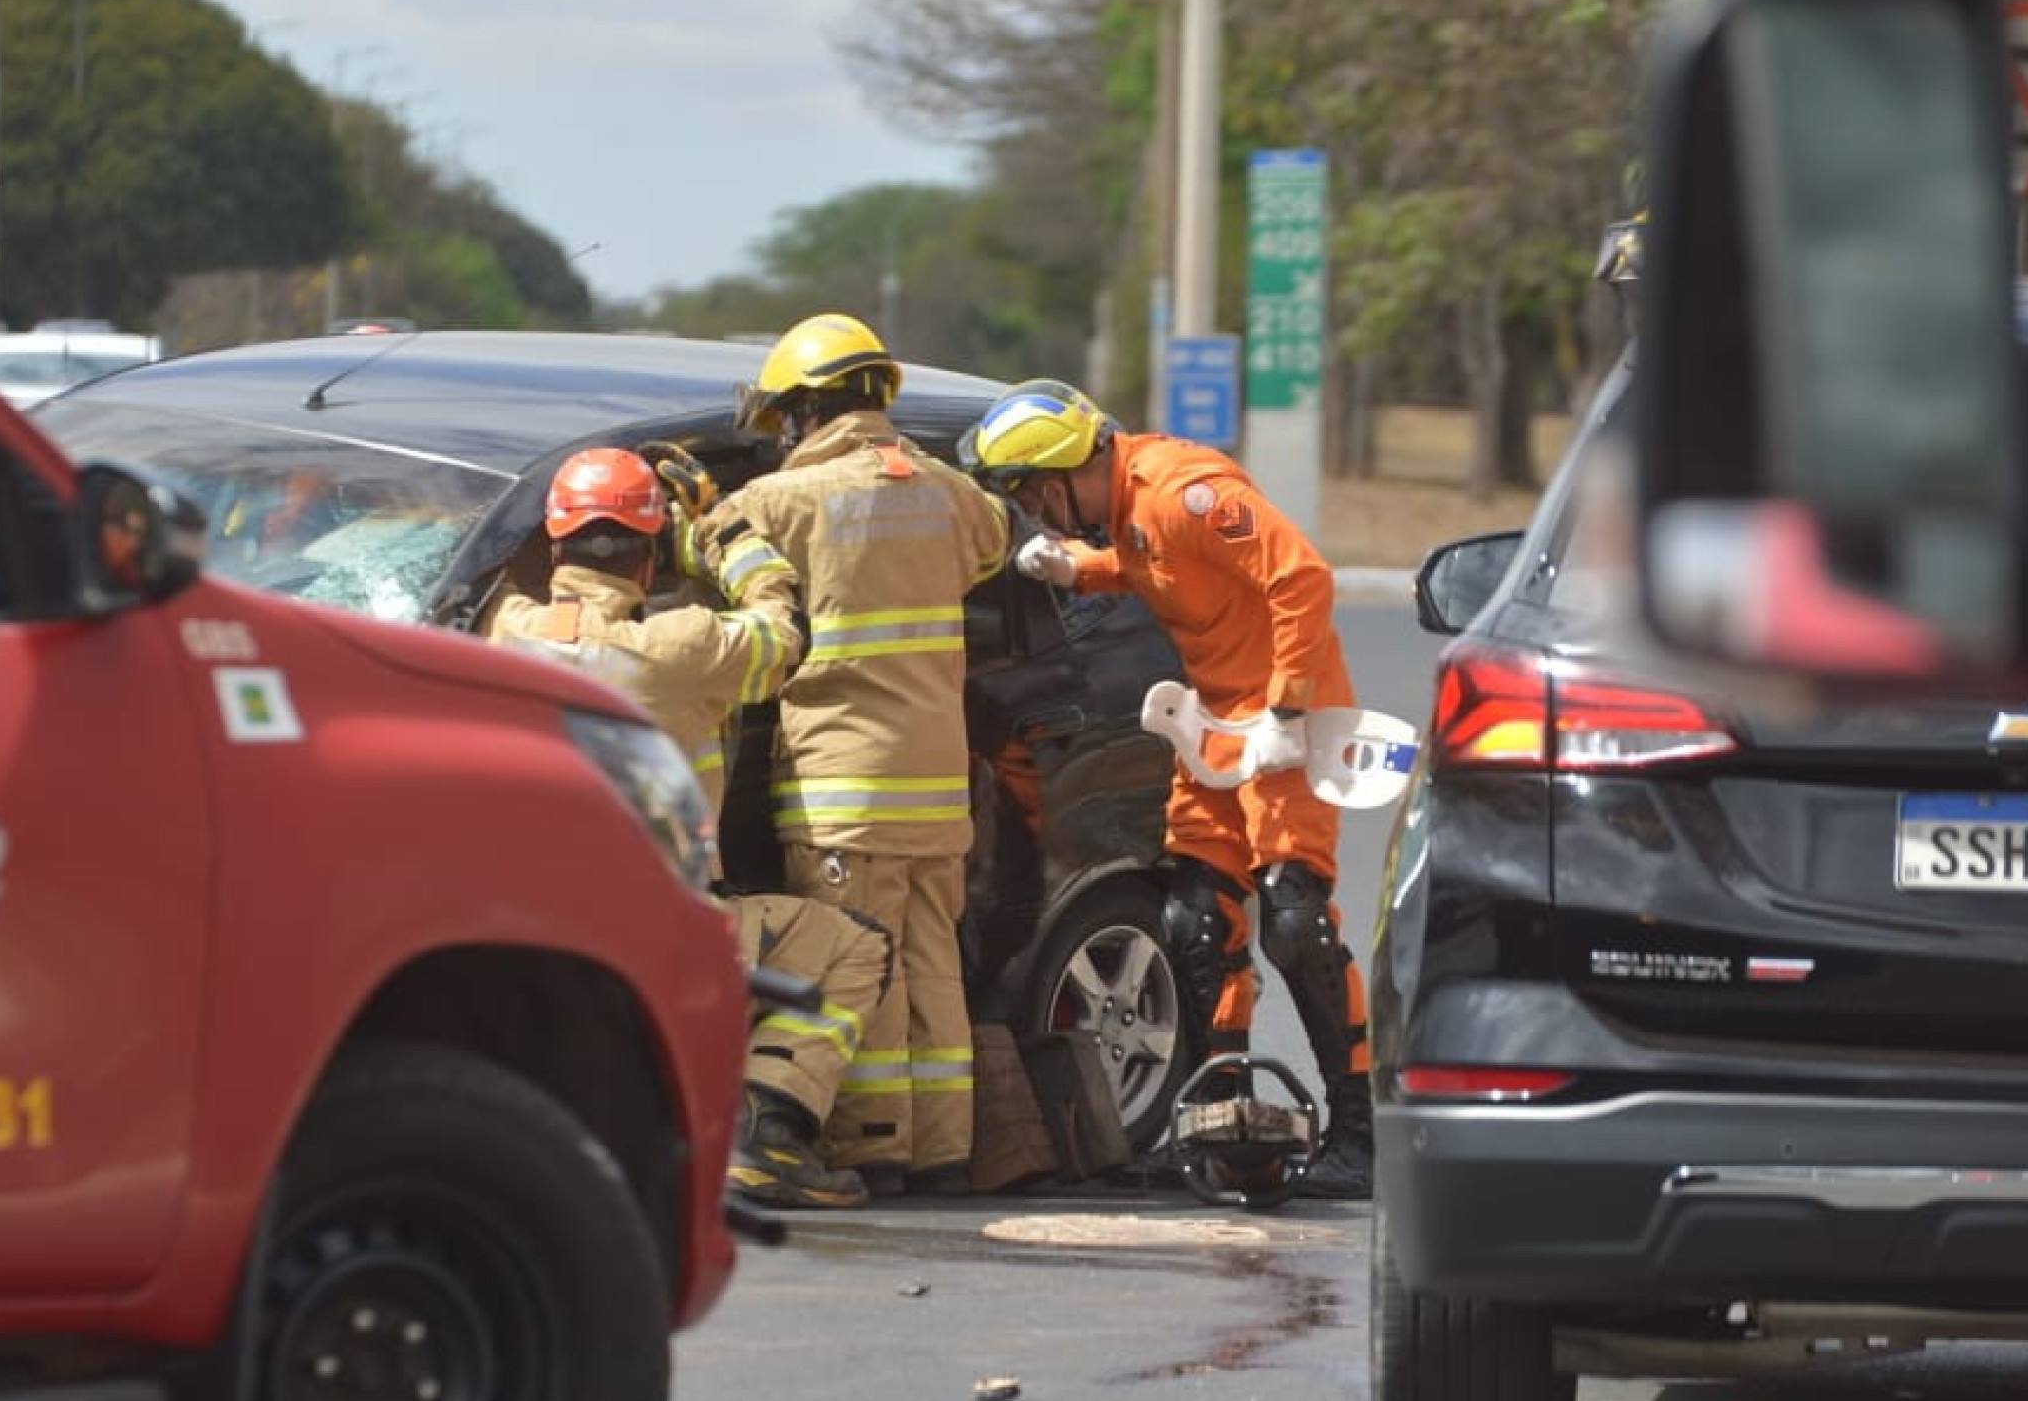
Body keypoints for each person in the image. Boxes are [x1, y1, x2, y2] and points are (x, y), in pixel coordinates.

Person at [961, 379, 1374, 1199]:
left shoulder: (1185, 492)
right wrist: (1079, 569)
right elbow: (1154, 568)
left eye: (1034, 500)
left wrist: (1288, 703)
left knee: (1294, 924)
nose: (1037, 515)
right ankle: (1216, 1118)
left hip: (1283, 730)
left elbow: (1302, 579)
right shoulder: (1129, 514)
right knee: (1192, 919)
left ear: (1059, 475)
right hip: (1215, 726)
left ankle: (1356, 1135)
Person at [491, 446, 893, 1212]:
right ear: (652, 556)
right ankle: (766, 1132)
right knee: (856, 943)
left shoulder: (500, 629)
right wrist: (719, 527)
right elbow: (787, 628)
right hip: (648, 939)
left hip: (523, 934)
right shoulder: (682, 647)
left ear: (555, 545)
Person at [687, 314, 1010, 1197]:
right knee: (931, 966)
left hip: (844, 790)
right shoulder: (949, 492)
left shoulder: (780, 503)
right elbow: (992, 542)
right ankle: (945, 1149)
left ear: (803, 412)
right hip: (938, 791)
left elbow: (715, 557)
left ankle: (876, 1148)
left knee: (860, 966)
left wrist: (701, 517)